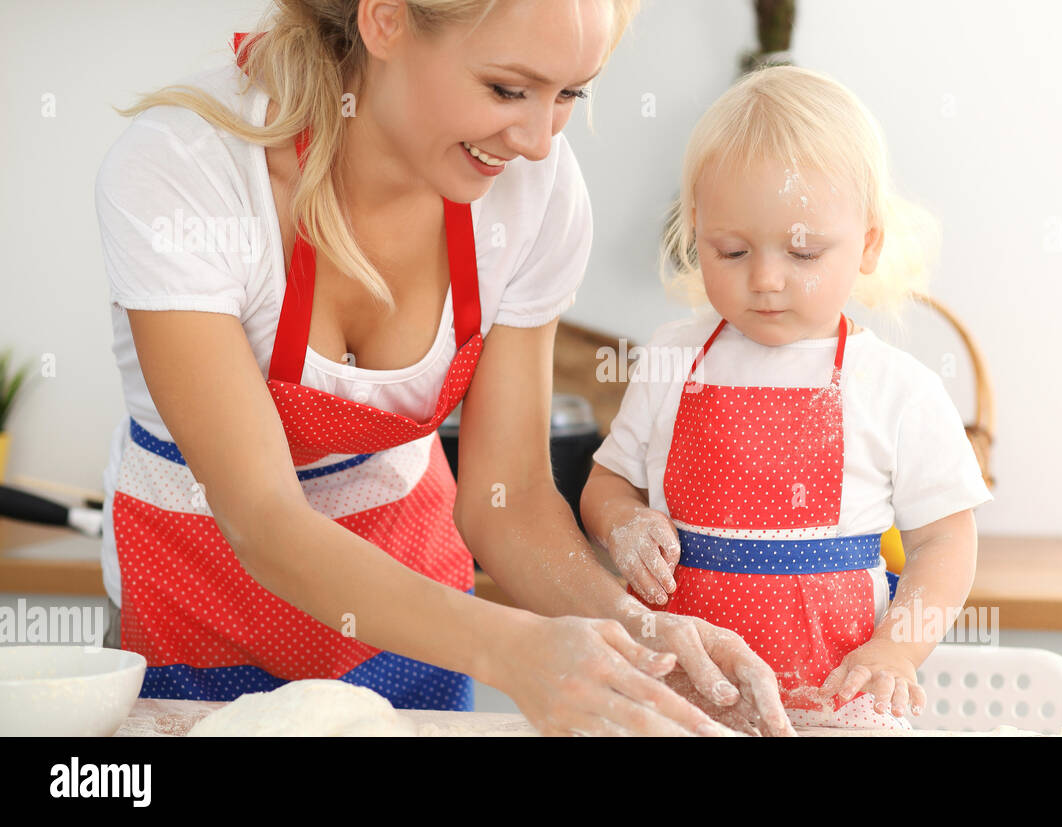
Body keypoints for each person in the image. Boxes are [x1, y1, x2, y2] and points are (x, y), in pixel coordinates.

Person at [94, 0, 795, 737]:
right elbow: (262, 515)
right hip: (202, 606)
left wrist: (638, 634)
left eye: (569, 95)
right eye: (506, 89)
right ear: (386, 19)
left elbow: (511, 496)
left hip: (418, 620)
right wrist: (514, 646)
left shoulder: (536, 189)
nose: (534, 141)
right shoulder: (185, 168)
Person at [581, 65, 994, 728]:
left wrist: (897, 647)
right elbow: (606, 484)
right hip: (682, 686)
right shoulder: (672, 357)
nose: (767, 279)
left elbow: (946, 538)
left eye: (803, 255)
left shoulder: (895, 386)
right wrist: (620, 523)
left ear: (867, 244)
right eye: (733, 249)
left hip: (835, 690)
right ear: (695, 229)